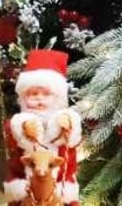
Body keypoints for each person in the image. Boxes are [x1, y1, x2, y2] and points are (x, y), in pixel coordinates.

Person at [4, 49, 81, 205]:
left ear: (57, 98)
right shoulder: (18, 124)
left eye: (46, 94)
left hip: (61, 185)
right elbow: (11, 143)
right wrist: (24, 128)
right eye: (33, 94)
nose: (39, 99)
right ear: (23, 97)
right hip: (25, 186)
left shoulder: (63, 121)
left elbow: (70, 154)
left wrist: (68, 124)